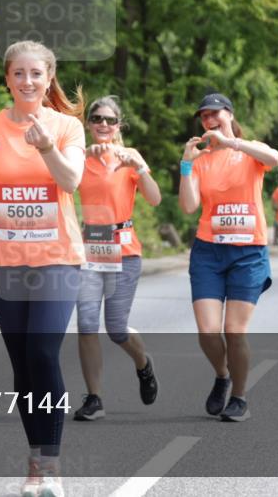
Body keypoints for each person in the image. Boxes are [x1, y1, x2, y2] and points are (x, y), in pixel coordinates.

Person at [0, 40, 85, 497]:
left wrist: (47, 147)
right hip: (4, 264)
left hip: (57, 260)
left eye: (36, 74)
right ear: (7, 78)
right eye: (18, 73)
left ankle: (52, 468)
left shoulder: (66, 127)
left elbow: (71, 181)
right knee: (24, 367)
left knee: (44, 355)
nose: (27, 81)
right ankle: (35, 464)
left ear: (49, 79)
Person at [179, 93, 278, 423]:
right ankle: (222, 375)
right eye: (204, 116)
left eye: (215, 113)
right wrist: (186, 162)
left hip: (248, 252)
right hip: (209, 251)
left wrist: (233, 143)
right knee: (208, 331)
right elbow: (189, 206)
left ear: (229, 115)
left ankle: (239, 396)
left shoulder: (249, 151)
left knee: (234, 331)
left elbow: (274, 158)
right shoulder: (201, 161)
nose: (209, 120)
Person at [72, 96, 162, 422]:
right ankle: (94, 398)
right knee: (85, 326)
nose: (104, 125)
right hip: (90, 251)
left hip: (125, 252)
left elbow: (154, 198)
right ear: (89, 123)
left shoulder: (131, 156)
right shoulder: (77, 158)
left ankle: (143, 363)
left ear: (119, 125)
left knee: (116, 328)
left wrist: (137, 167)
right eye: (97, 119)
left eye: (110, 120)